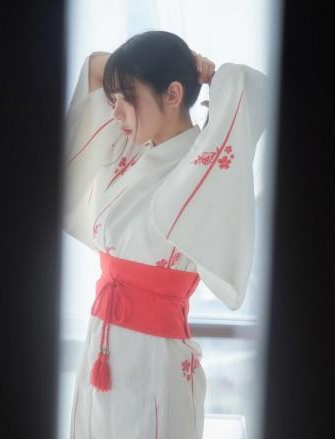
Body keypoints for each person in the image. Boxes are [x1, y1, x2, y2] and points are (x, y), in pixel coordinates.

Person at [62, 30, 270, 439]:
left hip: (156, 354)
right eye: (113, 99)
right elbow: (95, 68)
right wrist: (159, 63)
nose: (115, 112)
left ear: (173, 95)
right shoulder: (126, 148)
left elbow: (255, 90)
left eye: (127, 98)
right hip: (101, 339)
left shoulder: (204, 163)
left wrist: (208, 75)